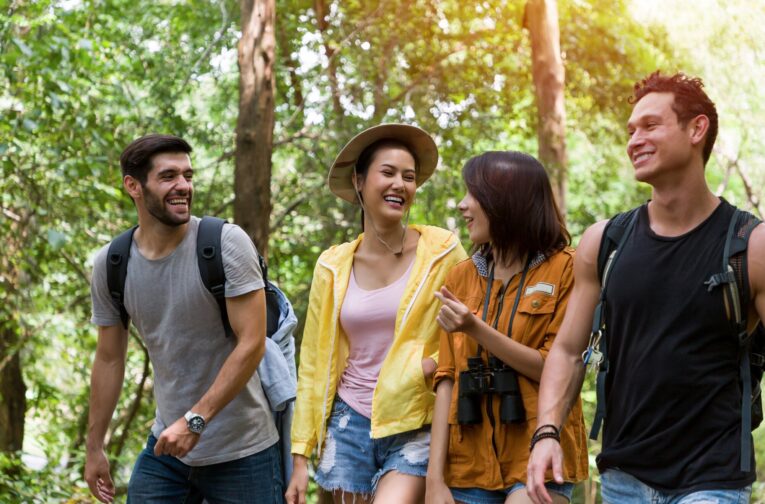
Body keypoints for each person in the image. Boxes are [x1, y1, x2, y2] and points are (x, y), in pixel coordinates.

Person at [527, 71, 764, 504]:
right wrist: (546, 433)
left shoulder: (750, 245)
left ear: (697, 129)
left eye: (650, 126)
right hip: (623, 477)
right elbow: (566, 350)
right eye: (631, 130)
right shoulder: (605, 242)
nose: (634, 140)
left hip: (712, 479)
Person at [85, 134, 282, 503]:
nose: (183, 186)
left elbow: (252, 343)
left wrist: (196, 420)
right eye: (169, 176)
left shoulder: (225, 243)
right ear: (133, 186)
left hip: (244, 451)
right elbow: (109, 358)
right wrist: (94, 447)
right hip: (168, 451)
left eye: (188, 176)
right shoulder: (112, 264)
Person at [285, 124, 467, 504]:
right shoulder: (332, 266)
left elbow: (473, 324)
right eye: (388, 173)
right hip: (347, 422)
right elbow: (315, 363)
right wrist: (300, 454)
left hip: (417, 418)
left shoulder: (442, 250)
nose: (400, 184)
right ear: (359, 180)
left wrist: (432, 365)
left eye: (409, 177)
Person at [426, 151, 588, 504]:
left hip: (537, 455)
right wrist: (434, 480)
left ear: (506, 201)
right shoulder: (460, 275)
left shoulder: (567, 270)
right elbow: (447, 377)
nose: (463, 205)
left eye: (474, 195)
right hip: (466, 464)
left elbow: (557, 366)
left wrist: (474, 328)